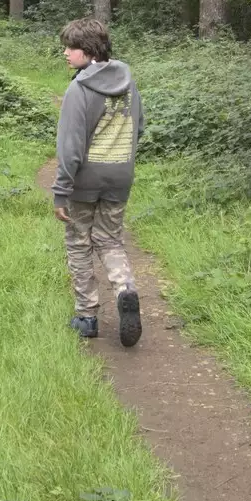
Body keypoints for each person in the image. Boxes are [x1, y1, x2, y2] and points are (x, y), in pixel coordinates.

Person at [52, 18, 144, 347]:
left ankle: (86, 316)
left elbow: (71, 148)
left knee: (79, 242)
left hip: (86, 180)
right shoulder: (128, 82)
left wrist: (61, 190)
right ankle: (125, 289)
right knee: (110, 241)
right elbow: (139, 128)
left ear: (88, 51)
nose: (65, 53)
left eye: (71, 48)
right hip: (120, 175)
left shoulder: (80, 89)